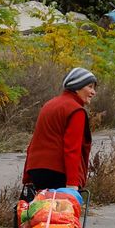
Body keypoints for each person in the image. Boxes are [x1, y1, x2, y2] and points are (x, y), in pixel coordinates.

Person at [23, 67, 97, 195]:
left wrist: (27, 177)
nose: (93, 92)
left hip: (36, 170)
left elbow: (34, 143)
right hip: (58, 172)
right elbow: (72, 149)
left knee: (42, 207)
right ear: (77, 86)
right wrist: (72, 183)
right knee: (61, 208)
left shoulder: (49, 105)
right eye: (90, 87)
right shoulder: (76, 110)